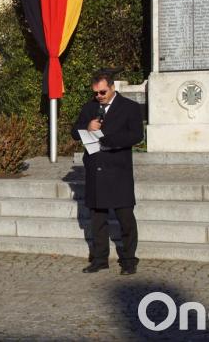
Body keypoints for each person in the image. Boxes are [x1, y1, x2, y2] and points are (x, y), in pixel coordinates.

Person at [71, 70, 144, 275]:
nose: (99, 96)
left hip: (118, 168)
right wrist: (87, 126)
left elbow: (136, 135)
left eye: (102, 92)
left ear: (112, 87)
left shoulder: (129, 107)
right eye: (96, 93)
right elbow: (73, 131)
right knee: (97, 218)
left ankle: (129, 260)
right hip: (95, 167)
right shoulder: (90, 107)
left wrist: (108, 141)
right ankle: (100, 258)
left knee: (125, 217)